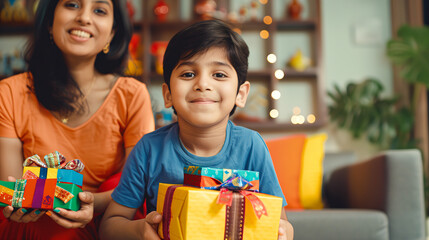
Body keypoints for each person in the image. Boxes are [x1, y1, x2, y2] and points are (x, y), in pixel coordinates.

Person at [100, 19, 294, 240]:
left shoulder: (251, 145)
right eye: (188, 74)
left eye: (219, 75)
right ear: (167, 94)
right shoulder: (149, 148)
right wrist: (140, 230)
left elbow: (283, 223)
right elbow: (109, 226)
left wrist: (282, 232)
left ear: (241, 94)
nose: (203, 84)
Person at [0, 0, 154, 239]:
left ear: (112, 33)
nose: (84, 17)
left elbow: (136, 184)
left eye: (100, 10)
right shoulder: (9, 92)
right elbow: (11, 184)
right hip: (33, 222)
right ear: (50, 23)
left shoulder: (133, 95)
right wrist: (20, 201)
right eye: (72, 5)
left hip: (106, 215)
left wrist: (89, 204)